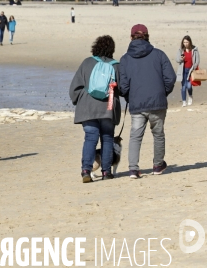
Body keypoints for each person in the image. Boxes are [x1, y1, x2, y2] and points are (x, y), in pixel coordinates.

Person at [119, 24, 176, 179]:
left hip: (138, 103)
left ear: (131, 38)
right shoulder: (159, 54)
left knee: (135, 136)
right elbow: (170, 78)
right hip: (157, 101)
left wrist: (129, 96)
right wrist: (162, 92)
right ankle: (157, 165)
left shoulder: (125, 59)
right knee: (158, 134)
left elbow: (123, 86)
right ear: (147, 36)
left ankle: (133, 169)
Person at [69, 36, 121, 183]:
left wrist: (78, 100)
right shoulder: (116, 66)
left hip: (87, 107)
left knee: (90, 138)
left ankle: (86, 170)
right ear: (112, 49)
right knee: (107, 138)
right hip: (108, 108)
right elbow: (123, 88)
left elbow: (74, 88)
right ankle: (106, 171)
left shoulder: (87, 63)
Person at [175, 35, 200, 107]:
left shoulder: (194, 49)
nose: (185, 44)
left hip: (191, 70)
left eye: (187, 42)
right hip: (183, 70)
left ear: (190, 42)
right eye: (184, 42)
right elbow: (177, 59)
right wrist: (181, 59)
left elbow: (197, 60)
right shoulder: (181, 50)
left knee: (189, 86)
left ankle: (190, 96)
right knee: (183, 87)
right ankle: (184, 101)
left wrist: (193, 67)